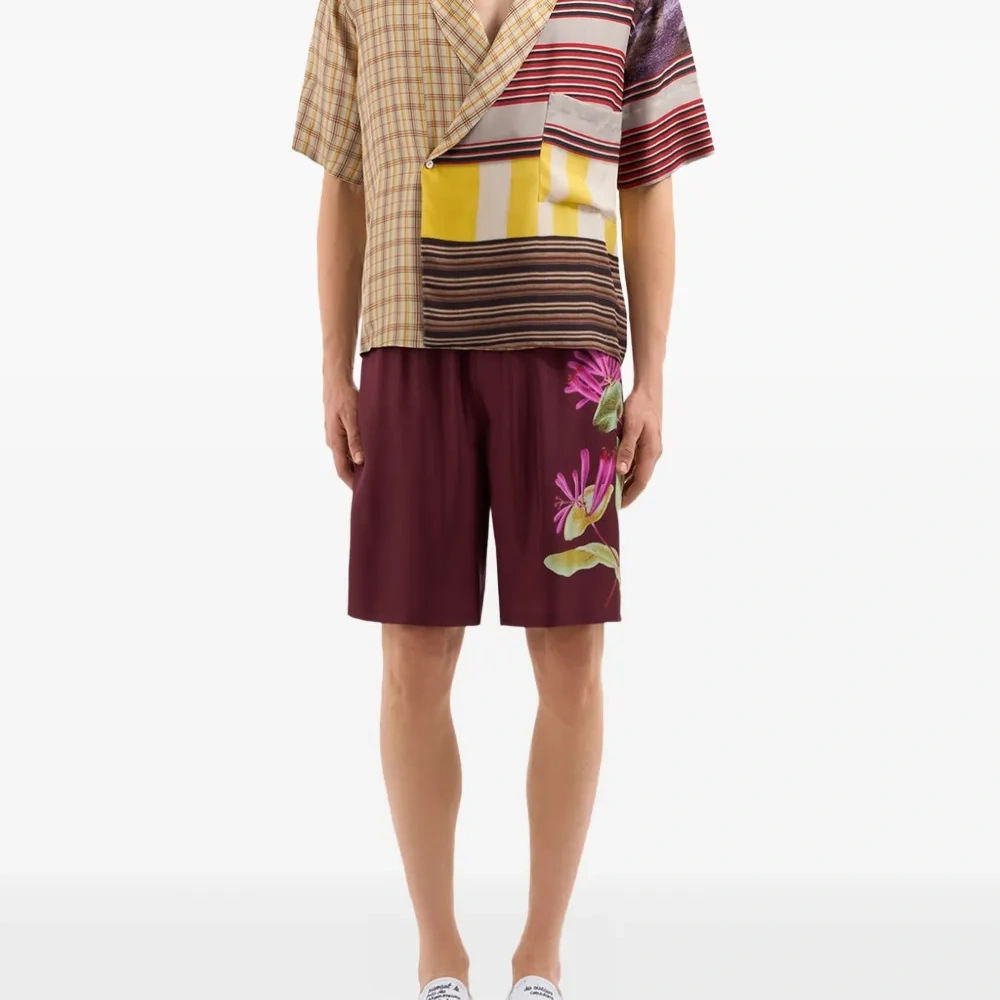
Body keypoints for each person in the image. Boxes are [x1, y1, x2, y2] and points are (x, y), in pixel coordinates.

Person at [292, 0, 713, 993]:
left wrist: (653, 377)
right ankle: (438, 950)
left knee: (572, 660)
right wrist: (333, 367)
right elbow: (343, 177)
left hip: (569, 346)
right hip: (408, 340)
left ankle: (540, 955)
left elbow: (647, 178)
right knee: (411, 657)